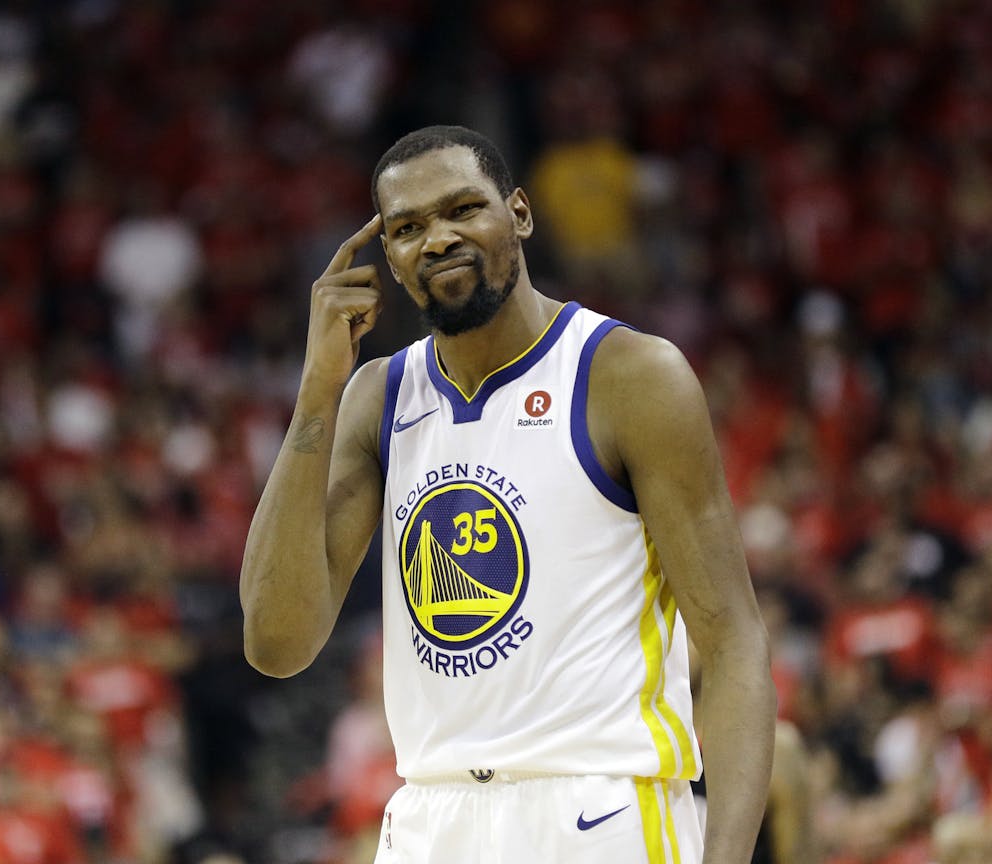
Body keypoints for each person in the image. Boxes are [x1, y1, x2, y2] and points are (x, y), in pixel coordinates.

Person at [241, 125, 775, 863]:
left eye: (463, 208)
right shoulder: (377, 396)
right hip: (430, 818)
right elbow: (276, 644)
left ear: (519, 214)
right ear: (389, 259)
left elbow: (733, 641)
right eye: (408, 227)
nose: (438, 239)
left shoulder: (629, 376)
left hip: (599, 809)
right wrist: (314, 395)